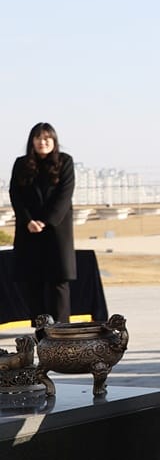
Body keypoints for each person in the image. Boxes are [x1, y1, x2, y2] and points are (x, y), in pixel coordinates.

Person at [8, 123, 76, 323]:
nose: (42, 142)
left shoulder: (65, 162)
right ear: (32, 141)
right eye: (38, 138)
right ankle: (41, 333)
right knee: (33, 283)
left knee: (58, 283)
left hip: (56, 231)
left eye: (47, 138)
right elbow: (15, 195)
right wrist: (28, 220)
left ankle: (62, 331)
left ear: (54, 141)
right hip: (29, 231)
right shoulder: (21, 164)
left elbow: (65, 194)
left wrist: (45, 221)